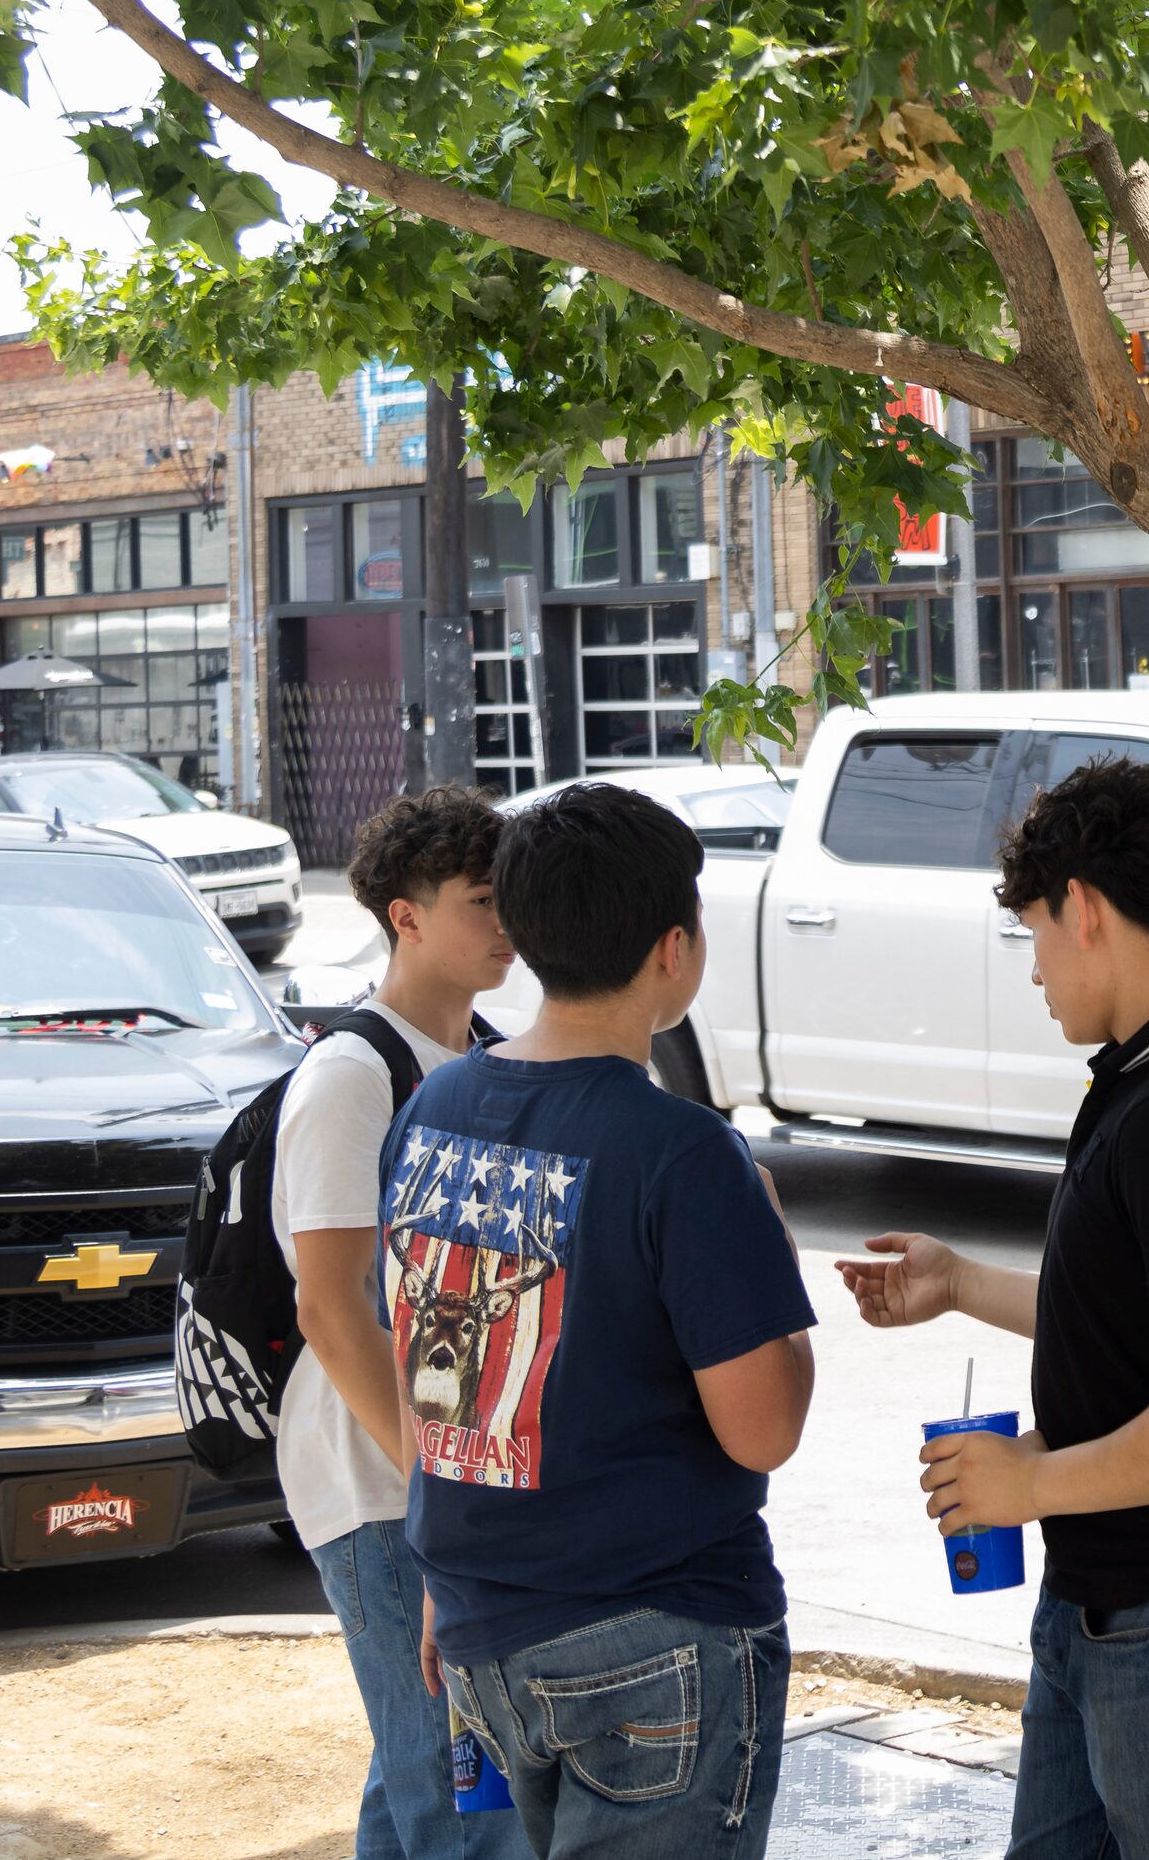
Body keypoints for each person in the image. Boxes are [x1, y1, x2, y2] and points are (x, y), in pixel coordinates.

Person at [835, 759, 1149, 1860]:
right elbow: (1128, 1321)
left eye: (1033, 936)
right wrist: (961, 1282)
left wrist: (1032, 1482)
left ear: (1088, 910)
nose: (1034, 973)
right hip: (1112, 1594)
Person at [393, 782, 818, 1858]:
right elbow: (762, 1429)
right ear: (673, 949)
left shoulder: (434, 1110)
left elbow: (440, 1387)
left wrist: (450, 1575)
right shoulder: (682, 1153)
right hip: (655, 1630)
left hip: (485, 1621)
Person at [275, 787, 529, 1860]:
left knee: (417, 1779)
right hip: (381, 1482)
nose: (505, 925)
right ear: (403, 915)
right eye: (481, 901)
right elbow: (329, 1309)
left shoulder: (493, 1054)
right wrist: (435, 1485)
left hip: (452, 1471)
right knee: (460, 1799)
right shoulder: (349, 1076)